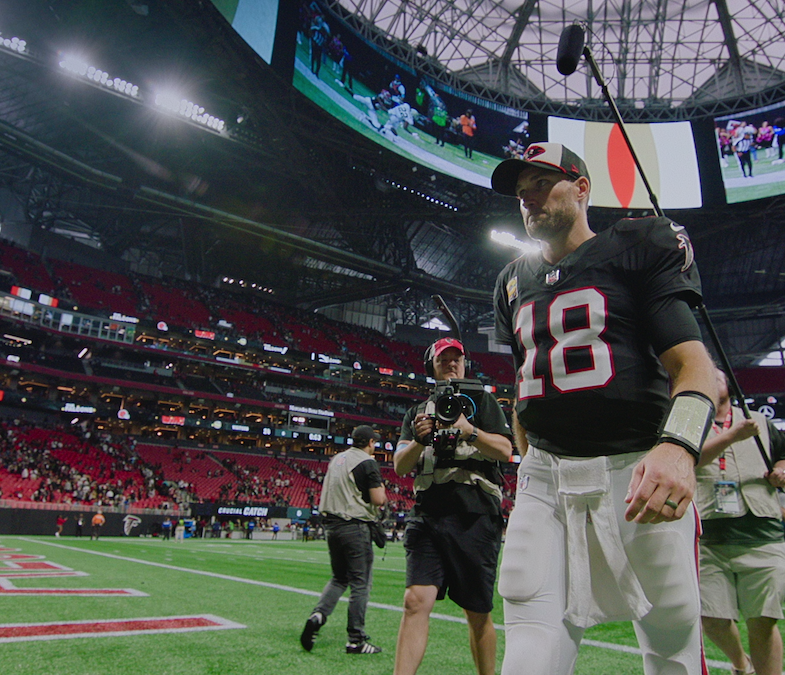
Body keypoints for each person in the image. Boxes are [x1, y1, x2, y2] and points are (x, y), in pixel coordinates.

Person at [491, 142, 718, 675]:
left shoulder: (636, 246)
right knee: (528, 645)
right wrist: (528, 462)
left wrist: (679, 448)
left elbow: (696, 369)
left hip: (636, 469)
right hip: (546, 475)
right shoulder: (510, 282)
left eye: (543, 184)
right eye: (522, 192)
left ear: (583, 188)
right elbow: (524, 384)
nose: (529, 199)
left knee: (672, 642)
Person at [393, 337, 514, 675]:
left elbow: (505, 451)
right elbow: (400, 466)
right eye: (443, 359)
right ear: (431, 365)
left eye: (456, 358)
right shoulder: (416, 413)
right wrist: (419, 440)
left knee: (477, 612)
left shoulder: (483, 401)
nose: (451, 364)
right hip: (428, 512)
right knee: (415, 601)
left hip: (474, 513)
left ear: (465, 363)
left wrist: (468, 430)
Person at [694, 368, 785, 675]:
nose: (711, 382)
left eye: (716, 377)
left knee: (763, 620)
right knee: (711, 617)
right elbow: (689, 459)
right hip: (708, 537)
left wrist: (784, 474)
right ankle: (741, 664)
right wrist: (732, 436)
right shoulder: (687, 420)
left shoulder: (759, 420)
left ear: (728, 383)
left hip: (762, 533)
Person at [299, 425, 387, 655]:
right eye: (374, 442)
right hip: (354, 526)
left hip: (332, 525)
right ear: (369, 443)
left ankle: (318, 615)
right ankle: (355, 639)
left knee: (339, 578)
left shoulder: (337, 459)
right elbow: (378, 499)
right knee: (361, 583)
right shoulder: (367, 462)